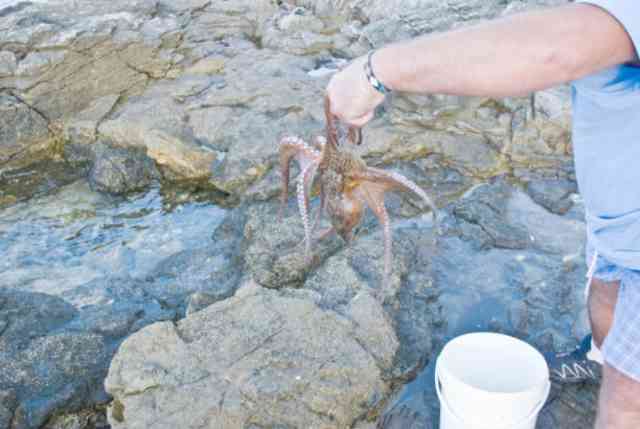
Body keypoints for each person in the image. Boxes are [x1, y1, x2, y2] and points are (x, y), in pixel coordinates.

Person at [326, 2, 639, 428]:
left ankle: (621, 376)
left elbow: (556, 49)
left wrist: (373, 74)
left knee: (627, 400)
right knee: (607, 292)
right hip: (619, 225)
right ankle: (602, 355)